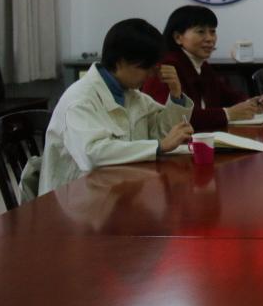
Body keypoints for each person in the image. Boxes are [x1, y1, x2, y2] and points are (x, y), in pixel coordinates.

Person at [34, 19, 194, 196]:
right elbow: (93, 154)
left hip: (118, 190)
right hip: (76, 200)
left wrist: (176, 94)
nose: (151, 75)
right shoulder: (80, 100)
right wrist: (159, 146)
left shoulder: (132, 95)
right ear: (120, 62)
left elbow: (162, 135)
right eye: (146, 67)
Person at [143, 5, 263, 131]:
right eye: (201, 32)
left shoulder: (202, 65)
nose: (210, 39)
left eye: (212, 31)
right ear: (178, 37)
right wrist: (228, 114)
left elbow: (227, 96)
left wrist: (250, 102)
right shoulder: (166, 67)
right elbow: (180, 118)